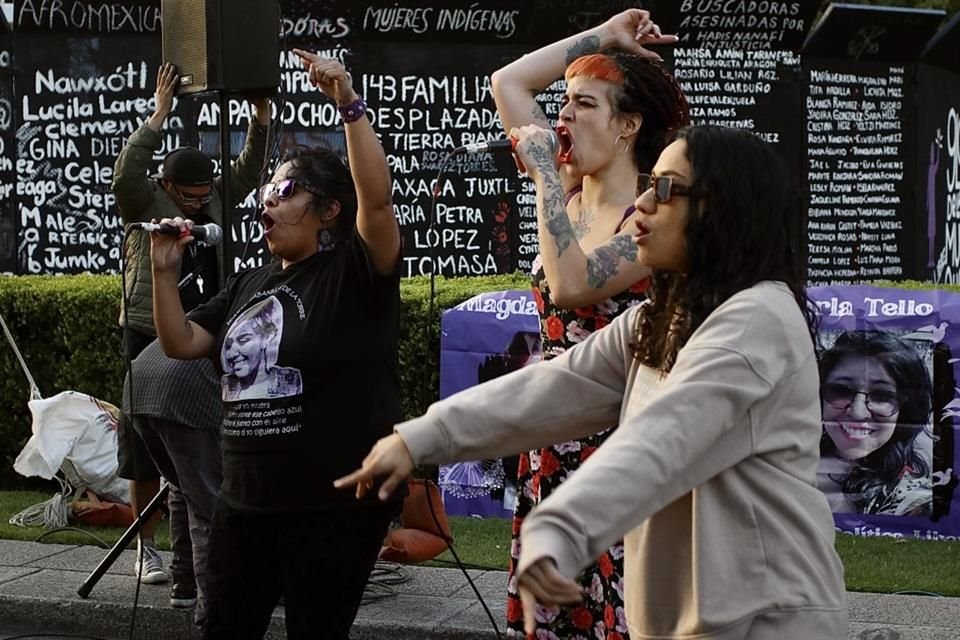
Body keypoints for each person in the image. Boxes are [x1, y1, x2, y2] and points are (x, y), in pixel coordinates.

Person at [337, 125, 849, 639]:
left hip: (772, 622)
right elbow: (553, 389)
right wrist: (418, 437)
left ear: (724, 210)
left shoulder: (757, 319)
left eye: (666, 189)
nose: (642, 203)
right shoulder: (666, 318)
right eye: (649, 183)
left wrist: (562, 528)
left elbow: (663, 440)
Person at [149, 52, 402, 640]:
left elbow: (379, 202)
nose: (266, 201)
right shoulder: (250, 282)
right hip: (245, 503)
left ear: (329, 211)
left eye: (285, 190)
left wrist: (347, 100)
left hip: (330, 508)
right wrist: (164, 273)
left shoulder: (352, 275)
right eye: (266, 190)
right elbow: (182, 341)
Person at [490, 8, 688, 636]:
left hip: (620, 442)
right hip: (554, 442)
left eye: (583, 105)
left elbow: (572, 284)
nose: (562, 116)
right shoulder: (567, 190)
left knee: (624, 616)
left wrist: (546, 170)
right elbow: (508, 83)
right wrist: (604, 35)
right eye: (565, 102)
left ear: (628, 125)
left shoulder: (647, 216)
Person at [112, 61, 270, 608]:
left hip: (203, 328)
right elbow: (125, 175)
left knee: (196, 444)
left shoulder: (216, 196)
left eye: (205, 196)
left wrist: (262, 117)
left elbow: (250, 169)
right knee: (143, 446)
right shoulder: (145, 200)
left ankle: (187, 574)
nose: (198, 204)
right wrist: (158, 115)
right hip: (145, 327)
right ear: (167, 186)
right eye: (189, 197)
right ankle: (146, 547)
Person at [123, 339, 223, 620]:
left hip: (139, 387)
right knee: (208, 506)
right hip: (182, 391)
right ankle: (213, 613)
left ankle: (185, 585)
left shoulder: (218, 306)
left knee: (182, 486)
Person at [817, 330, 934, 517]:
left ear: (905, 405)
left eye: (881, 395)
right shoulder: (786, 463)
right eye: (841, 390)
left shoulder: (916, 501)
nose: (858, 412)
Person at [221, 296, 302, 401]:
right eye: (228, 346)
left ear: (267, 337)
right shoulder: (228, 384)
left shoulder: (289, 380)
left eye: (244, 340)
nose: (231, 354)